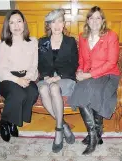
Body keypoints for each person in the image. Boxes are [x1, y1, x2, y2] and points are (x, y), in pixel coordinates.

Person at [68, 6, 120, 155]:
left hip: (108, 75)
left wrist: (88, 76)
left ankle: (93, 137)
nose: (95, 21)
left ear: (102, 20)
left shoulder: (111, 36)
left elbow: (111, 63)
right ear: (88, 21)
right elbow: (82, 59)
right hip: (89, 75)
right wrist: (80, 71)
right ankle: (96, 134)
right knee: (80, 90)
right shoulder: (82, 36)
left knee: (91, 90)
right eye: (92, 18)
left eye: (98, 18)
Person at [0, 10, 39, 142]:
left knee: (32, 92)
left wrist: (28, 77)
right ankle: (4, 121)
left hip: (26, 76)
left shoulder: (33, 42)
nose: (16, 25)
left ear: (24, 23)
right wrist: (17, 80)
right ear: (8, 26)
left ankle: (13, 121)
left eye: (19, 21)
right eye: (12, 22)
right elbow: (0, 69)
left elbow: (34, 65)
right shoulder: (3, 44)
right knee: (19, 94)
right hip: (7, 78)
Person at [38, 9, 78, 153]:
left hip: (65, 78)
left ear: (64, 24)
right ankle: (64, 125)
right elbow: (40, 64)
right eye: (53, 22)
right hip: (47, 78)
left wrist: (58, 77)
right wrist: (46, 76)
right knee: (42, 89)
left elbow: (74, 64)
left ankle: (59, 131)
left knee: (54, 88)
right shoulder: (43, 42)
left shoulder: (70, 42)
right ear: (49, 25)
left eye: (59, 21)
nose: (56, 25)